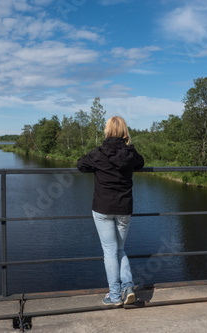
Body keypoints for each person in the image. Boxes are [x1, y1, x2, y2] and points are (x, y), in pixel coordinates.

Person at [77, 116, 145, 306]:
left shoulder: (99, 153)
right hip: (124, 209)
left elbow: (80, 165)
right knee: (120, 249)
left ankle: (114, 296)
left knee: (110, 252)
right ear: (124, 132)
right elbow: (141, 163)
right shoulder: (131, 153)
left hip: (103, 208)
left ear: (107, 131)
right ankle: (128, 287)